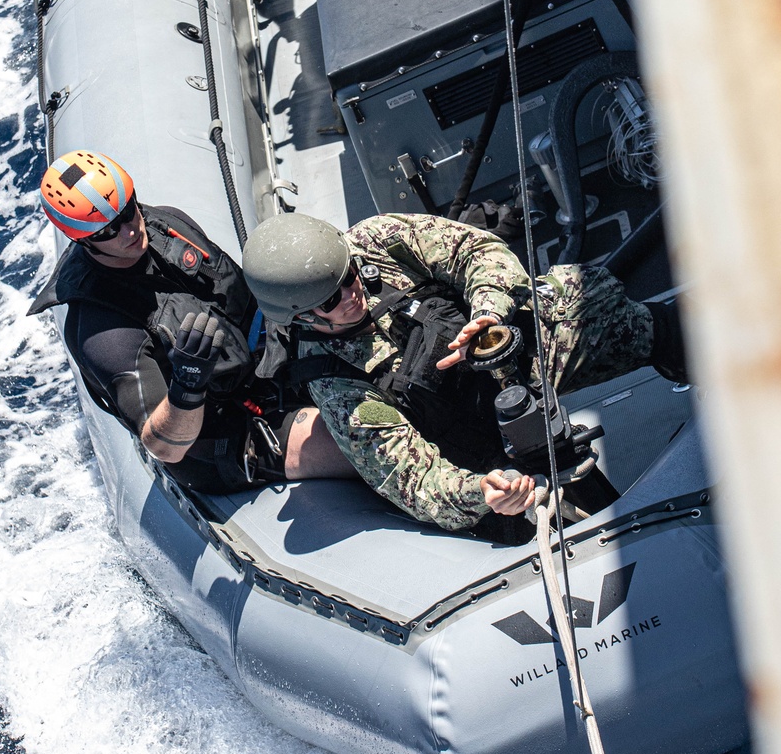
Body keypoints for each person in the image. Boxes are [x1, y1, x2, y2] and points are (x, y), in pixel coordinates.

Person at [242, 210, 688, 534]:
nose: (350, 294)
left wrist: (489, 311)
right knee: (569, 523)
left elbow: (475, 251)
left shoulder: (378, 241)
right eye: (330, 301)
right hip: (476, 441)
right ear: (302, 318)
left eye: (349, 277)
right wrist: (483, 492)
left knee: (620, 317)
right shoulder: (337, 384)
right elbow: (411, 479)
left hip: (512, 354)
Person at [28, 149, 351, 492]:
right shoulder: (104, 332)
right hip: (226, 429)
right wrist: (187, 384)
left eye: (127, 210)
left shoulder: (168, 224)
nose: (128, 232)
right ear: (82, 240)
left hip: (268, 364)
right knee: (361, 443)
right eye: (106, 232)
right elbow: (164, 447)